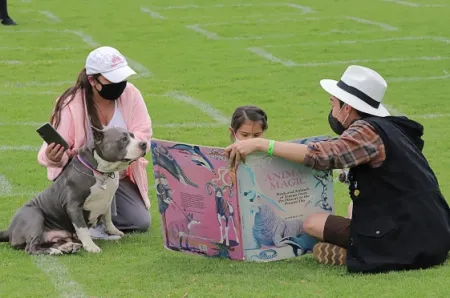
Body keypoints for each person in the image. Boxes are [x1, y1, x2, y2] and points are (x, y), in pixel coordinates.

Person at [224, 65, 450, 274]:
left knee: (312, 222)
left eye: (333, 103)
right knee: (354, 207)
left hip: (409, 239)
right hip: (435, 231)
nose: (331, 109)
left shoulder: (367, 130)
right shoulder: (389, 128)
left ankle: (358, 254)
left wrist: (264, 144)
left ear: (347, 108)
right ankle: (360, 247)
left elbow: (324, 155)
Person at [37, 46, 153, 240]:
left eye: (122, 78)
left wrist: (131, 153)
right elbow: (47, 153)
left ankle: (88, 219)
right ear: (93, 80)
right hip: (82, 178)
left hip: (118, 174)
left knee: (140, 221)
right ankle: (77, 217)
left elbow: (143, 132)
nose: (120, 84)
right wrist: (53, 156)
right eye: (112, 79)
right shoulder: (70, 103)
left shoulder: (131, 94)